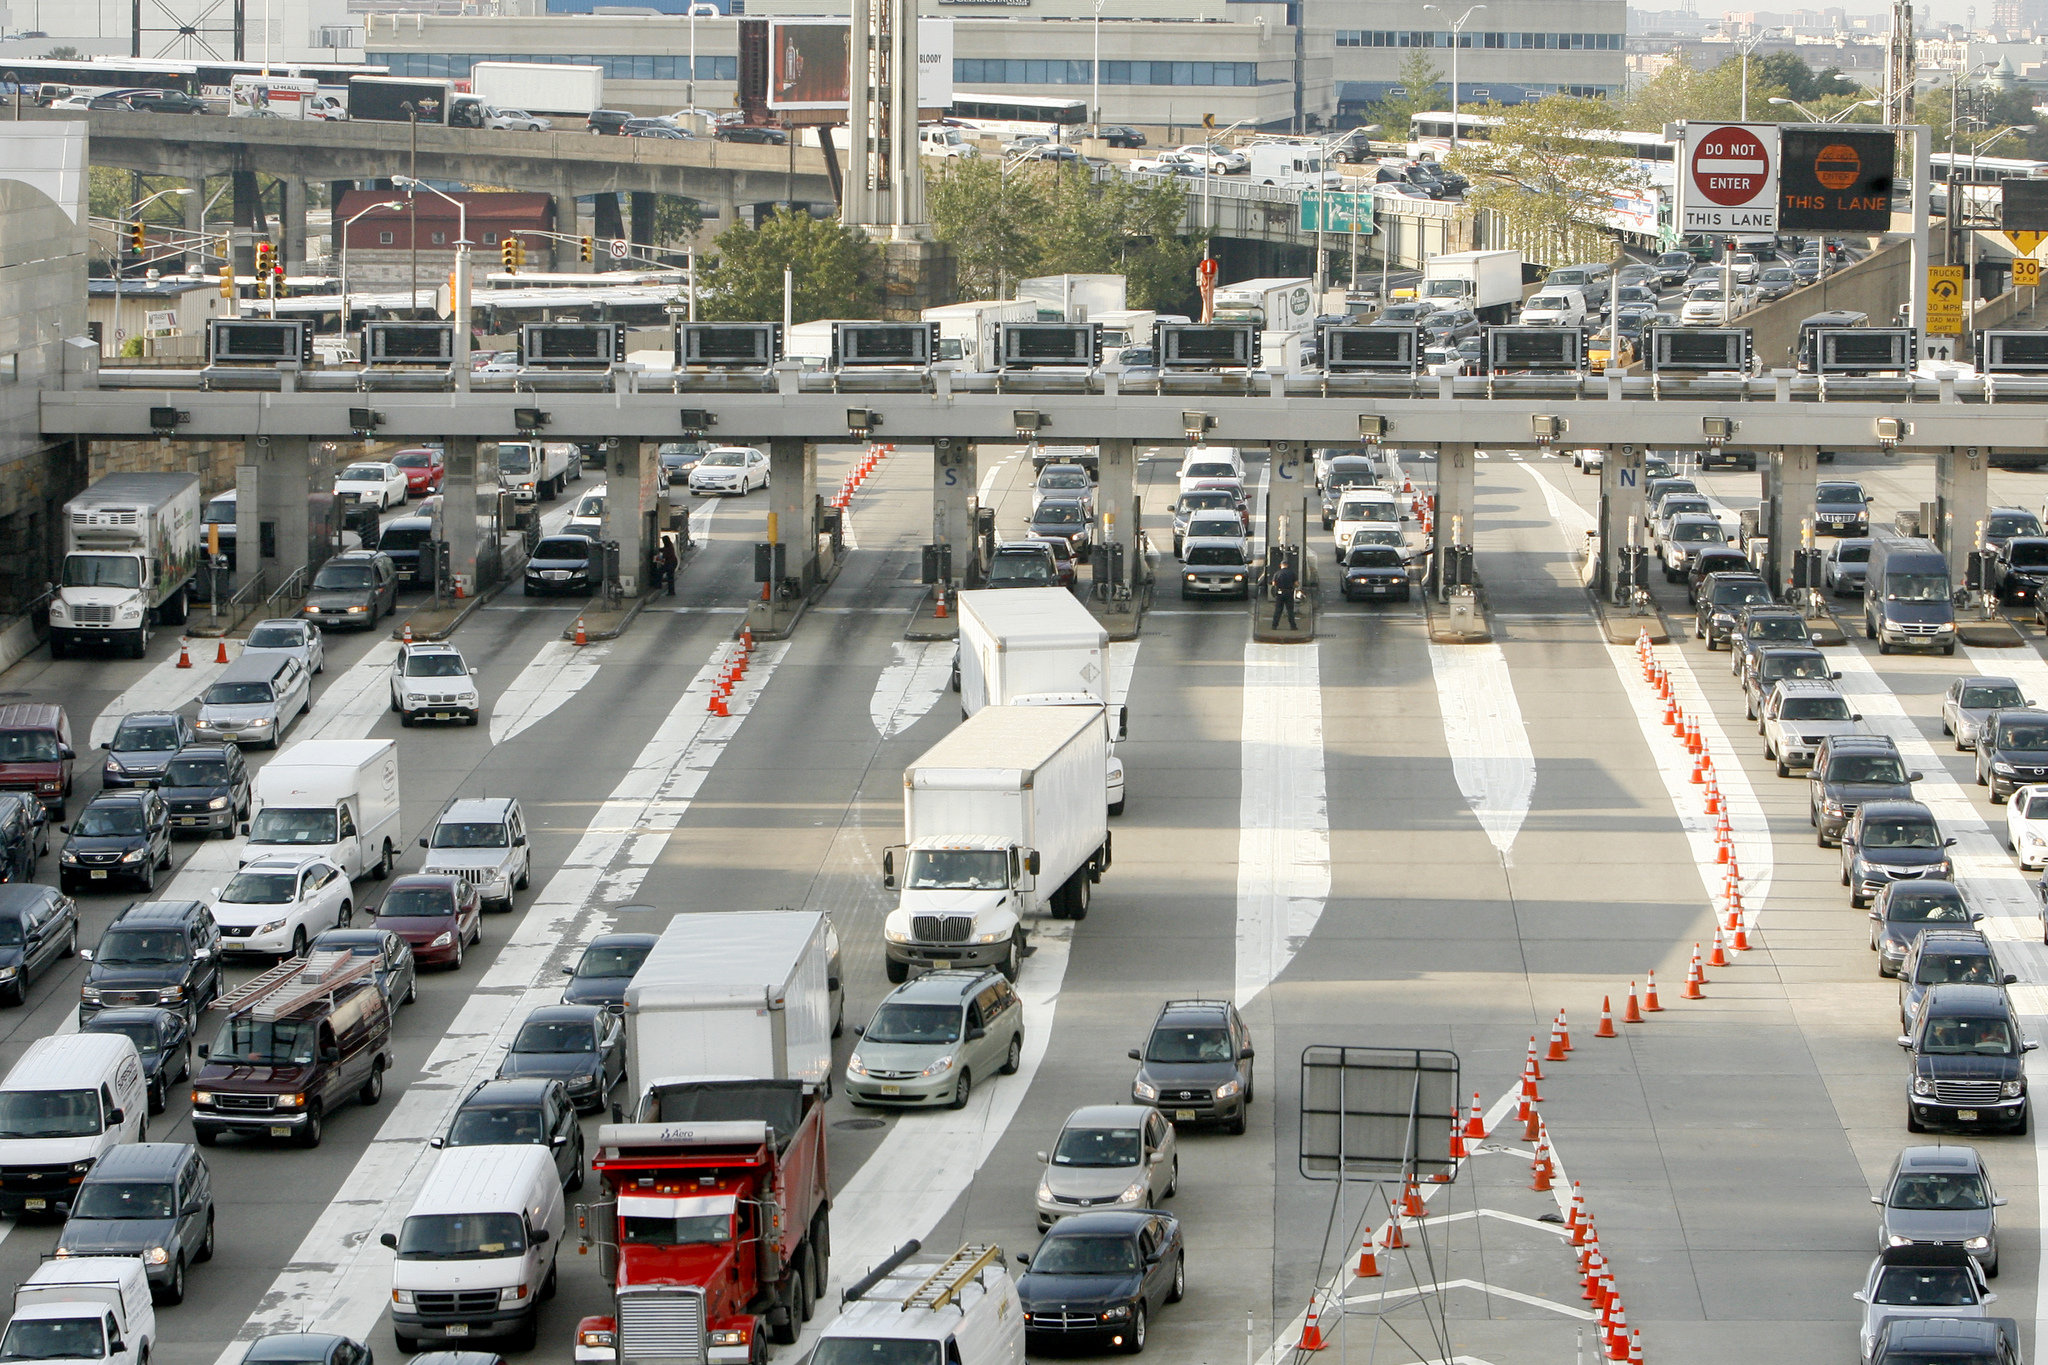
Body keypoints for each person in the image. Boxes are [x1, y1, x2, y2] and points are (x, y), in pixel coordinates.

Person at [1270, 555, 1299, 630]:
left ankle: (1274, 625)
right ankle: (1293, 626)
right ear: (1287, 565)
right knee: (1290, 610)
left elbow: (1273, 584)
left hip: (1280, 593)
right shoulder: (1292, 573)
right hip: (1289, 593)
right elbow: (1296, 584)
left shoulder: (1277, 573)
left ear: (1280, 565)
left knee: (1278, 610)